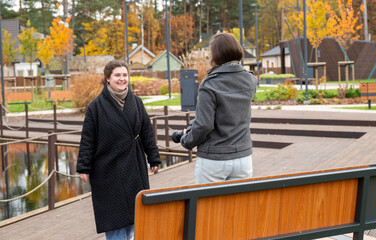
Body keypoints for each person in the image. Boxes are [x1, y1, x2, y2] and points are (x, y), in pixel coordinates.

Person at [76, 60, 160, 240]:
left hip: (134, 166)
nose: (122, 79)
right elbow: (88, 138)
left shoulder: (136, 102)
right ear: (108, 78)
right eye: (117, 75)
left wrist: (153, 158)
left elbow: (147, 131)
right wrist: (84, 166)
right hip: (108, 169)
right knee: (115, 223)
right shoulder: (96, 107)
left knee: (134, 219)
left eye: (125, 75)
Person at [179, 32, 258, 184]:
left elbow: (204, 124)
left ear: (216, 55)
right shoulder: (250, 80)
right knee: (239, 206)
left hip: (214, 158)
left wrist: (186, 141)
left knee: (207, 207)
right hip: (243, 157)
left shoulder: (209, 84)